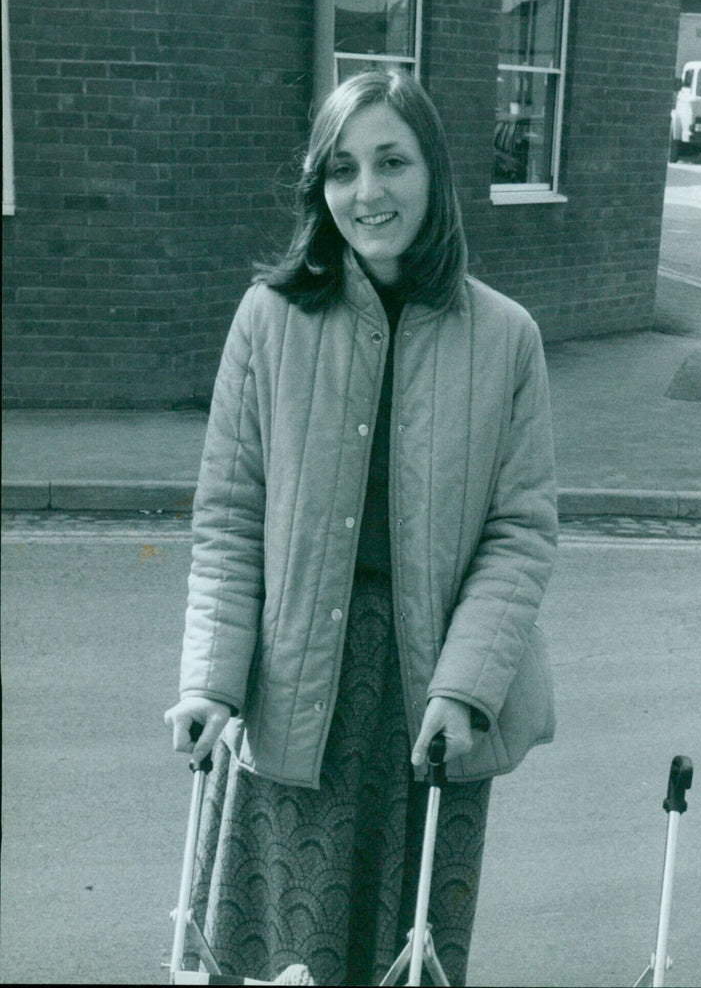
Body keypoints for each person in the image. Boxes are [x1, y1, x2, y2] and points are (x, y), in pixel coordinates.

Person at [165, 69, 558, 987]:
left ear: (435, 174)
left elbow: (521, 531)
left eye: (392, 162)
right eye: (342, 169)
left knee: (404, 953)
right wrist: (209, 684)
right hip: (293, 689)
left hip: (434, 700)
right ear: (320, 185)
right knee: (278, 957)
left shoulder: (508, 338)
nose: (367, 192)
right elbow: (228, 517)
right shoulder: (269, 320)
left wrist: (463, 692)